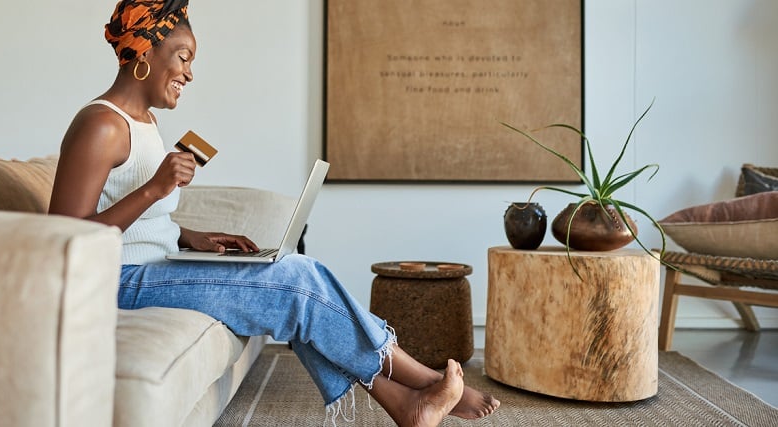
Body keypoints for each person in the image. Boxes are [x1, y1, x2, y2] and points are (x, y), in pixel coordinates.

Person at [48, 1, 499, 425]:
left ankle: (405, 405)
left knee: (293, 282)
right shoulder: (100, 124)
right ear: (144, 51)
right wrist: (154, 189)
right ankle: (422, 379)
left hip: (153, 267)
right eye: (183, 57)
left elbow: (139, 226)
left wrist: (192, 237)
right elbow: (64, 237)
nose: (189, 72)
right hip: (120, 282)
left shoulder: (143, 122)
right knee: (295, 279)